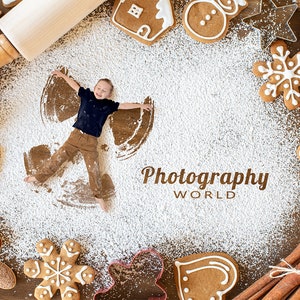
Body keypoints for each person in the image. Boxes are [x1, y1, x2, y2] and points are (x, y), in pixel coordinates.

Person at [24, 70, 152, 212]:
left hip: (90, 142)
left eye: (104, 91)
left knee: (94, 170)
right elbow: (74, 86)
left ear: (109, 95)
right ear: (94, 87)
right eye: (98, 88)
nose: (100, 91)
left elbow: (124, 105)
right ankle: (38, 177)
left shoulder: (108, 105)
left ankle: (98, 195)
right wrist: (63, 76)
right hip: (75, 137)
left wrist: (140, 106)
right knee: (57, 159)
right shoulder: (87, 95)